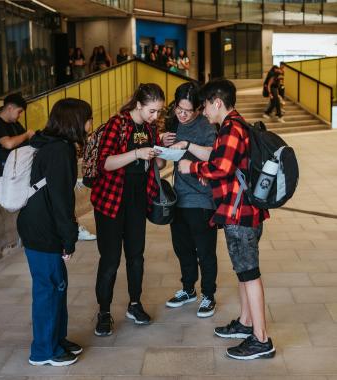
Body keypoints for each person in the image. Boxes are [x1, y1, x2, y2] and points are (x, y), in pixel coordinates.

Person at [178, 79, 275, 361]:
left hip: (240, 212)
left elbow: (221, 167)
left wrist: (190, 167)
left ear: (216, 102)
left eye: (206, 105)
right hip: (243, 211)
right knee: (244, 271)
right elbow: (223, 160)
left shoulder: (231, 128)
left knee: (249, 273)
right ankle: (246, 323)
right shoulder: (235, 125)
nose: (204, 111)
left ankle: (261, 340)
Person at [17, 98, 93, 366]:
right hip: (43, 228)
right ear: (74, 121)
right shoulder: (60, 150)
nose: (90, 123)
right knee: (48, 289)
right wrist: (69, 239)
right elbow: (62, 201)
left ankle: (57, 340)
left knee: (57, 286)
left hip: (37, 223)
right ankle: (43, 351)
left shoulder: (47, 142)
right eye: (87, 117)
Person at [91, 83, 166, 336]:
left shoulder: (150, 128)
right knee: (110, 259)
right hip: (111, 201)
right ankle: (104, 311)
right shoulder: (117, 124)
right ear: (139, 105)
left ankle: (135, 304)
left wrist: (163, 151)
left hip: (137, 200)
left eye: (158, 112)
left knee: (136, 256)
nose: (156, 117)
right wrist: (137, 153)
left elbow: (158, 163)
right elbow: (105, 163)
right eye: (152, 111)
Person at [165, 82, 218, 318]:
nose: (182, 114)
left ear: (198, 109)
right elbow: (162, 162)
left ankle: (208, 294)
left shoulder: (206, 126)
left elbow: (213, 155)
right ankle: (188, 289)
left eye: (188, 110)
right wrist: (161, 144)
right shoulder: (173, 121)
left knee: (205, 251)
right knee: (182, 248)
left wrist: (187, 144)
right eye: (179, 109)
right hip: (179, 197)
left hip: (202, 199)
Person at [0, 93, 34, 180]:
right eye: (19, 112)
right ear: (10, 108)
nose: (20, 115)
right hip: (6, 173)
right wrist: (27, 134)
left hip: (19, 168)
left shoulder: (15, 123)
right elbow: (8, 144)